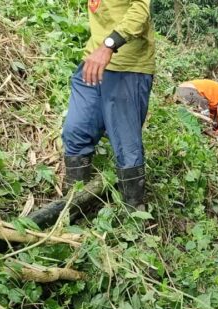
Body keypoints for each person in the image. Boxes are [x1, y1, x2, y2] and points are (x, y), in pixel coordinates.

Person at [61, 0, 155, 210]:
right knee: (75, 131)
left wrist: (108, 45)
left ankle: (133, 217)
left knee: (127, 148)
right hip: (92, 63)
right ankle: (73, 207)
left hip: (127, 67)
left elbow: (140, 10)